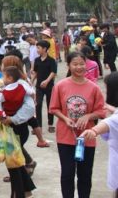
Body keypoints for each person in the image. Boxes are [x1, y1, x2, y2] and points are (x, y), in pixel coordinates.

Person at [49, 51, 106, 198]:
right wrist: (64, 118)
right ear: (68, 65)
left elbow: (101, 111)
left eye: (82, 64)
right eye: (75, 64)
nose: (79, 67)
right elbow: (53, 108)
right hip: (65, 137)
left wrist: (88, 116)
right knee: (67, 174)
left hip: (87, 138)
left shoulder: (94, 88)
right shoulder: (60, 85)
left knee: (85, 175)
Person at [0, 66, 36, 197]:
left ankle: (19, 193)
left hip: (17, 128)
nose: (2, 78)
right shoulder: (10, 88)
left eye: (4, 75)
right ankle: (25, 190)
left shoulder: (22, 88)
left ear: (10, 77)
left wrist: (12, 119)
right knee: (15, 162)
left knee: (13, 163)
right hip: (10, 128)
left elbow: (29, 108)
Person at [79, 71, 118, 196]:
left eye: (107, 90)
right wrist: (112, 109)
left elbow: (107, 124)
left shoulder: (114, 120)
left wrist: (92, 131)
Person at [31, 40, 56, 134]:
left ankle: (50, 124)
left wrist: (47, 81)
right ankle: (39, 126)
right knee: (38, 104)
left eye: (38, 48)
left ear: (45, 49)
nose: (37, 50)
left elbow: (53, 72)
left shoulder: (51, 60)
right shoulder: (37, 60)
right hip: (39, 87)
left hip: (49, 86)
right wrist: (31, 81)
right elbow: (35, 72)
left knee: (50, 105)